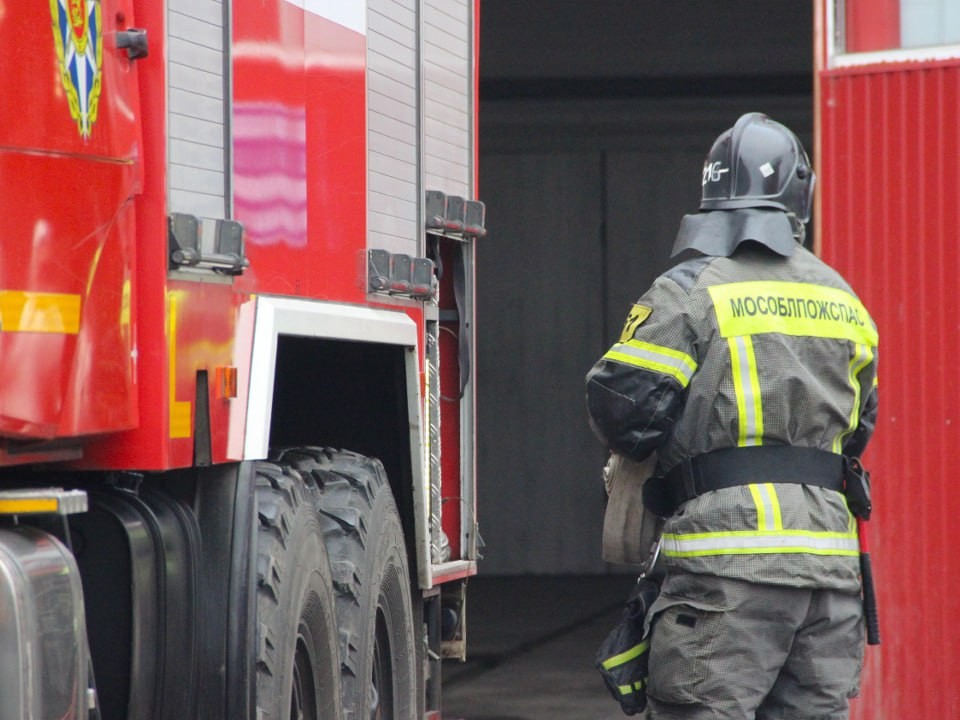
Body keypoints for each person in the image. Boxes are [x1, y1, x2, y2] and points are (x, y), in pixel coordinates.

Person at [585, 112, 879, 720]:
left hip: (726, 573)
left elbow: (624, 410)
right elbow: (860, 428)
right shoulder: (843, 299)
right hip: (829, 579)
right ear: (800, 198)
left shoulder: (690, 289)